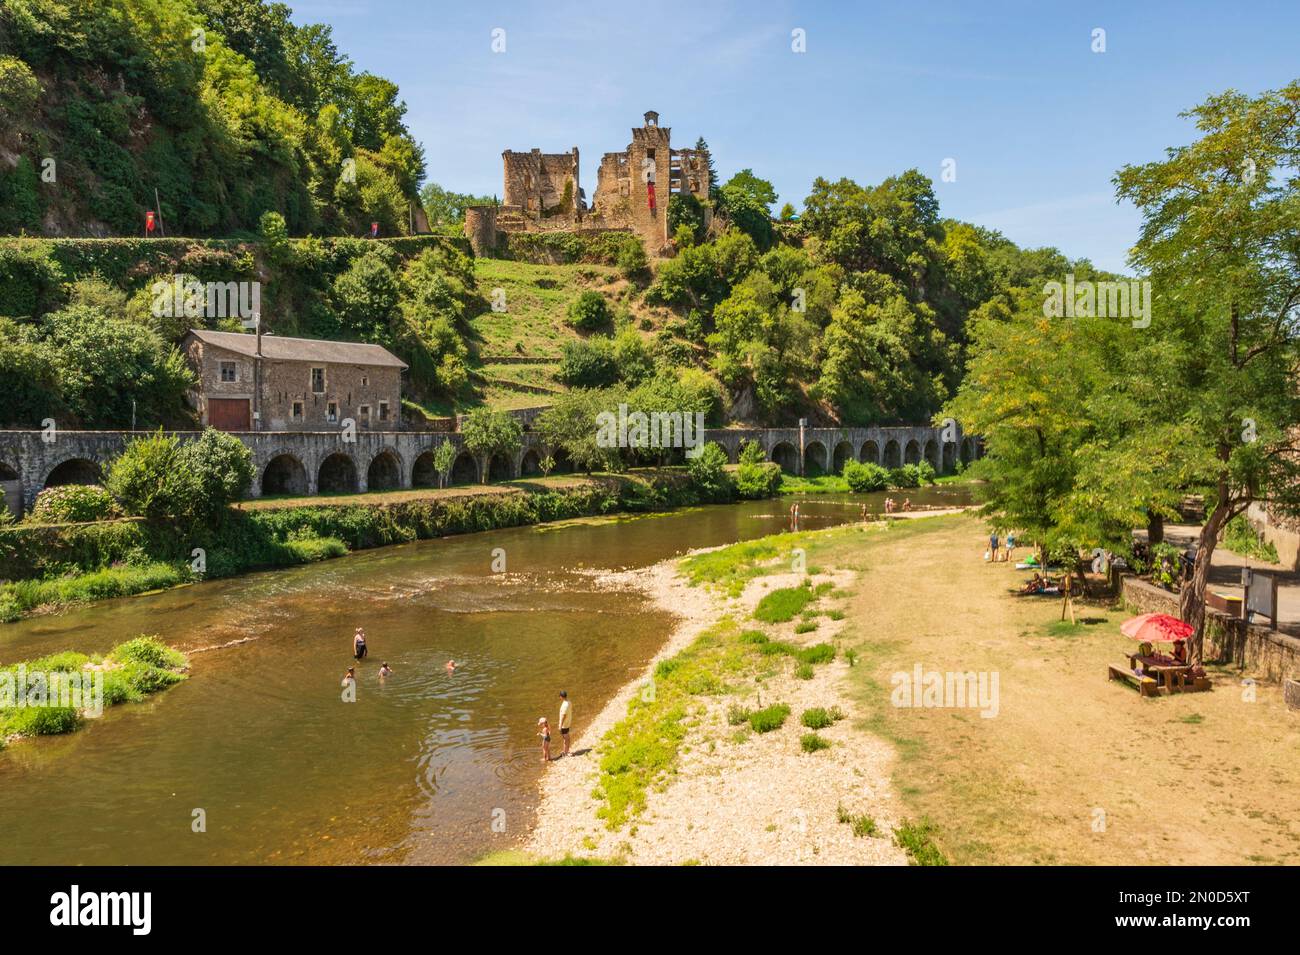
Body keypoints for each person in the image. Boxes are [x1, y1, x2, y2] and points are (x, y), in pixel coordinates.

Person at [558, 690, 572, 757]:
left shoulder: (564, 705)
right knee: (565, 737)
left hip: (564, 724)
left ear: (561, 696)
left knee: (566, 738)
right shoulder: (569, 702)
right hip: (568, 722)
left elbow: (563, 716)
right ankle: (565, 750)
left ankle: (566, 752)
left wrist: (560, 725)